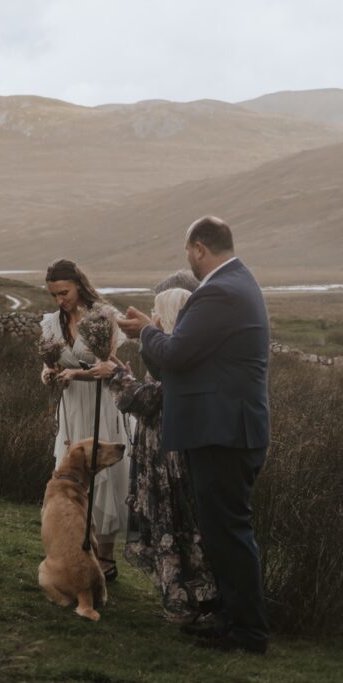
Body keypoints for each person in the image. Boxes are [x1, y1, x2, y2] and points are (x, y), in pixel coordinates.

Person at [118, 216, 271, 655]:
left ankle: (249, 633)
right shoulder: (240, 283)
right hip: (227, 428)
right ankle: (231, 620)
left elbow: (176, 355)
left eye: (189, 252)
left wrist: (145, 331)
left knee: (230, 534)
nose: (189, 260)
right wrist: (154, 330)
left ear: (200, 249)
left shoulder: (219, 291)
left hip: (225, 432)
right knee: (222, 532)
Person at [109, 284, 218, 623]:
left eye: (156, 311)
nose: (152, 316)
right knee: (181, 527)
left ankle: (182, 604)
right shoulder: (183, 353)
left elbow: (147, 400)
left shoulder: (174, 356)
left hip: (166, 460)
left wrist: (115, 376)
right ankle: (197, 600)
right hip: (170, 452)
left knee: (170, 523)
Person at [39, 259, 130, 581]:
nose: (60, 300)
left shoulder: (102, 317)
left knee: (105, 478)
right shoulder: (51, 323)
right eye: (54, 295)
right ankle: (78, 546)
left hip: (102, 405)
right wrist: (48, 375)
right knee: (72, 475)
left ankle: (105, 557)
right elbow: (48, 365)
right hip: (72, 407)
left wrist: (80, 372)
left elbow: (116, 368)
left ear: (79, 285)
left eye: (64, 292)